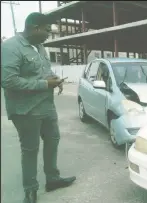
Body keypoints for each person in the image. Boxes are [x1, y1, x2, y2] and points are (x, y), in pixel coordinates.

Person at [1, 12, 76, 203]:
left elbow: (45, 71)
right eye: (47, 31)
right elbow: (8, 81)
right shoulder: (11, 47)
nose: (48, 35)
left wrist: (55, 80)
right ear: (35, 28)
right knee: (30, 149)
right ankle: (30, 191)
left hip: (46, 105)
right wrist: (44, 84)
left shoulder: (40, 47)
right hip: (25, 109)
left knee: (53, 140)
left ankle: (52, 179)